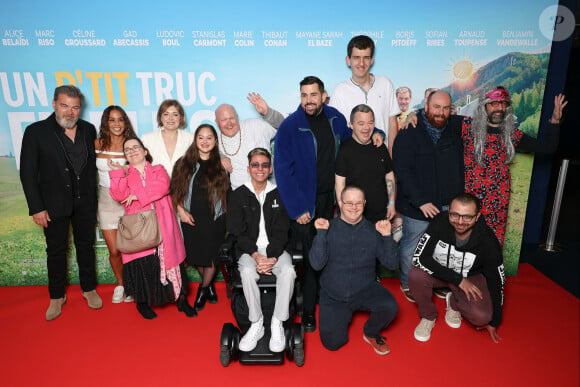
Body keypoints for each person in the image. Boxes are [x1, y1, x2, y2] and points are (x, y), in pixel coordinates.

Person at [274, 76, 384, 332]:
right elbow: (282, 171)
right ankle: (309, 311)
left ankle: (329, 300)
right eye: (304, 95)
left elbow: (353, 134)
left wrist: (376, 133)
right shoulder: (290, 126)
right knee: (312, 258)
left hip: (331, 200)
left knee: (330, 253)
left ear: (323, 96)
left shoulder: (334, 117)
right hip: (305, 205)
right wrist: (297, 208)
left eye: (313, 95)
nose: (308, 100)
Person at [20, 85, 102, 321]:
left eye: (75, 107)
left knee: (86, 246)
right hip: (53, 204)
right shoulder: (36, 132)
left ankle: (89, 289)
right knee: (55, 251)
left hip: (85, 203)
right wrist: (36, 207)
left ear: (80, 109)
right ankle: (57, 296)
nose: (70, 112)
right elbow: (28, 173)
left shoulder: (88, 129)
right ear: (54, 104)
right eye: (65, 105)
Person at [461, 87, 567, 245]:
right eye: (494, 104)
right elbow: (437, 117)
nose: (500, 108)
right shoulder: (466, 126)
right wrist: (414, 115)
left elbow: (548, 148)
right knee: (465, 243)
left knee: (492, 246)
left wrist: (555, 121)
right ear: (484, 106)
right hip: (469, 200)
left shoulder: (511, 134)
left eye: (504, 104)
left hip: (497, 202)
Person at [109, 137, 195, 319]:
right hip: (139, 227)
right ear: (125, 156)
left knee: (172, 263)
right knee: (142, 265)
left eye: (135, 147)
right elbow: (118, 195)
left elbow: (162, 187)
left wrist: (137, 194)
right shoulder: (124, 175)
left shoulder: (159, 170)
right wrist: (117, 173)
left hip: (163, 224)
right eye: (127, 150)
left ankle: (181, 300)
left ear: (145, 151)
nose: (132, 151)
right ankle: (142, 303)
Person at [392, 90, 465, 303]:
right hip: (417, 205)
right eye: (436, 107)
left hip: (447, 204)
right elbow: (402, 170)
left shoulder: (455, 128)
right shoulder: (409, 131)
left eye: (445, 108)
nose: (441, 113)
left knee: (442, 248)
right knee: (411, 248)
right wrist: (421, 201)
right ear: (426, 107)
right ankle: (407, 282)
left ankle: (439, 282)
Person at [310, 186, 398, 355]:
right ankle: (343, 317)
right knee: (333, 344)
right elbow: (316, 264)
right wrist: (320, 234)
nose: (354, 207)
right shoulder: (327, 228)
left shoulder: (373, 231)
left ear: (364, 204)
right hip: (334, 294)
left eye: (358, 203)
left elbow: (392, 264)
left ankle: (371, 332)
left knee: (390, 306)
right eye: (349, 202)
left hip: (364, 289)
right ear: (340, 203)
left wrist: (387, 236)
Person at [408, 193, 504, 343]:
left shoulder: (488, 241)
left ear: (477, 216)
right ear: (449, 212)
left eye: (467, 217)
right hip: (442, 273)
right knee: (415, 275)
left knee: (482, 317)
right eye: (455, 215)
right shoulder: (440, 221)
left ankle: (454, 302)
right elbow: (420, 257)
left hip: (470, 277)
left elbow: (496, 281)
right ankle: (428, 316)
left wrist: (494, 321)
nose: (460, 222)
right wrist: (457, 279)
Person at [227, 148, 296, 353]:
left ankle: (277, 322)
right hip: (249, 251)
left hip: (275, 249)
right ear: (248, 168)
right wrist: (256, 256)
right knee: (247, 272)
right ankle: (256, 323)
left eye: (264, 165)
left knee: (289, 272)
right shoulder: (239, 195)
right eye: (255, 165)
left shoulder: (279, 193)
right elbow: (237, 231)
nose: (260, 169)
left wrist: (272, 256)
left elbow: (283, 230)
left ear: (270, 168)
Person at [170, 124, 230, 311]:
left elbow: (228, 192)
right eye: (201, 137)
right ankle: (210, 286)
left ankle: (203, 290)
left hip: (215, 218)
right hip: (190, 216)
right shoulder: (183, 163)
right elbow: (174, 190)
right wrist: (180, 210)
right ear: (195, 140)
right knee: (196, 256)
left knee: (212, 257)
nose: (205, 142)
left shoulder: (222, 164)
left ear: (215, 141)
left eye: (209, 137)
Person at [329, 35, 400, 154]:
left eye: (366, 58)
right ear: (348, 60)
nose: (361, 63)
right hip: (352, 163)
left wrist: (391, 157)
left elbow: (392, 123)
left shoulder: (385, 84)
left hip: (382, 161)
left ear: (372, 60)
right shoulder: (339, 91)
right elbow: (336, 131)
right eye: (356, 57)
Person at [95, 106, 137, 303]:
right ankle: (120, 284)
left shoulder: (132, 144)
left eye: (120, 120)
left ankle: (133, 284)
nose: (117, 124)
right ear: (106, 122)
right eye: (112, 120)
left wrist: (126, 170)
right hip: (106, 200)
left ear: (125, 122)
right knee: (114, 250)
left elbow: (143, 169)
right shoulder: (97, 144)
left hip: (128, 200)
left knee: (132, 247)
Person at [335, 104, 396, 223]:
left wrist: (392, 203)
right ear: (351, 125)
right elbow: (339, 184)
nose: (366, 128)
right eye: (361, 123)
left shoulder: (380, 147)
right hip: (354, 219)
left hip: (381, 218)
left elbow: (389, 176)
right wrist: (343, 209)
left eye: (370, 123)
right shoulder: (344, 150)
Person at [215, 98, 283, 189]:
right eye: (224, 120)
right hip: (240, 196)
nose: (229, 123)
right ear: (217, 122)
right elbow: (203, 151)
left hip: (269, 191)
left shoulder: (255, 125)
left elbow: (283, 126)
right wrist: (219, 156)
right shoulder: (214, 139)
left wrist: (268, 112)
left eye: (231, 118)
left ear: (237, 117)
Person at [142, 99, 193, 177]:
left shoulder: (190, 138)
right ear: (161, 117)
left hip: (184, 186)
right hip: (156, 187)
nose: (170, 118)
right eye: (166, 114)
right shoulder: (147, 139)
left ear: (180, 117)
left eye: (175, 114)